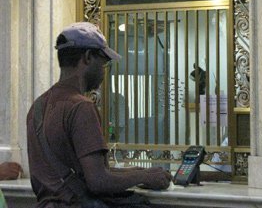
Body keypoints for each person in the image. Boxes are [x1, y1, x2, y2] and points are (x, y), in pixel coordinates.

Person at [27, 22, 171, 207]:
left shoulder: (37, 107)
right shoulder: (80, 106)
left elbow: (81, 172)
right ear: (87, 57)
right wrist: (143, 177)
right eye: (103, 63)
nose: (104, 71)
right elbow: (98, 181)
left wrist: (138, 172)